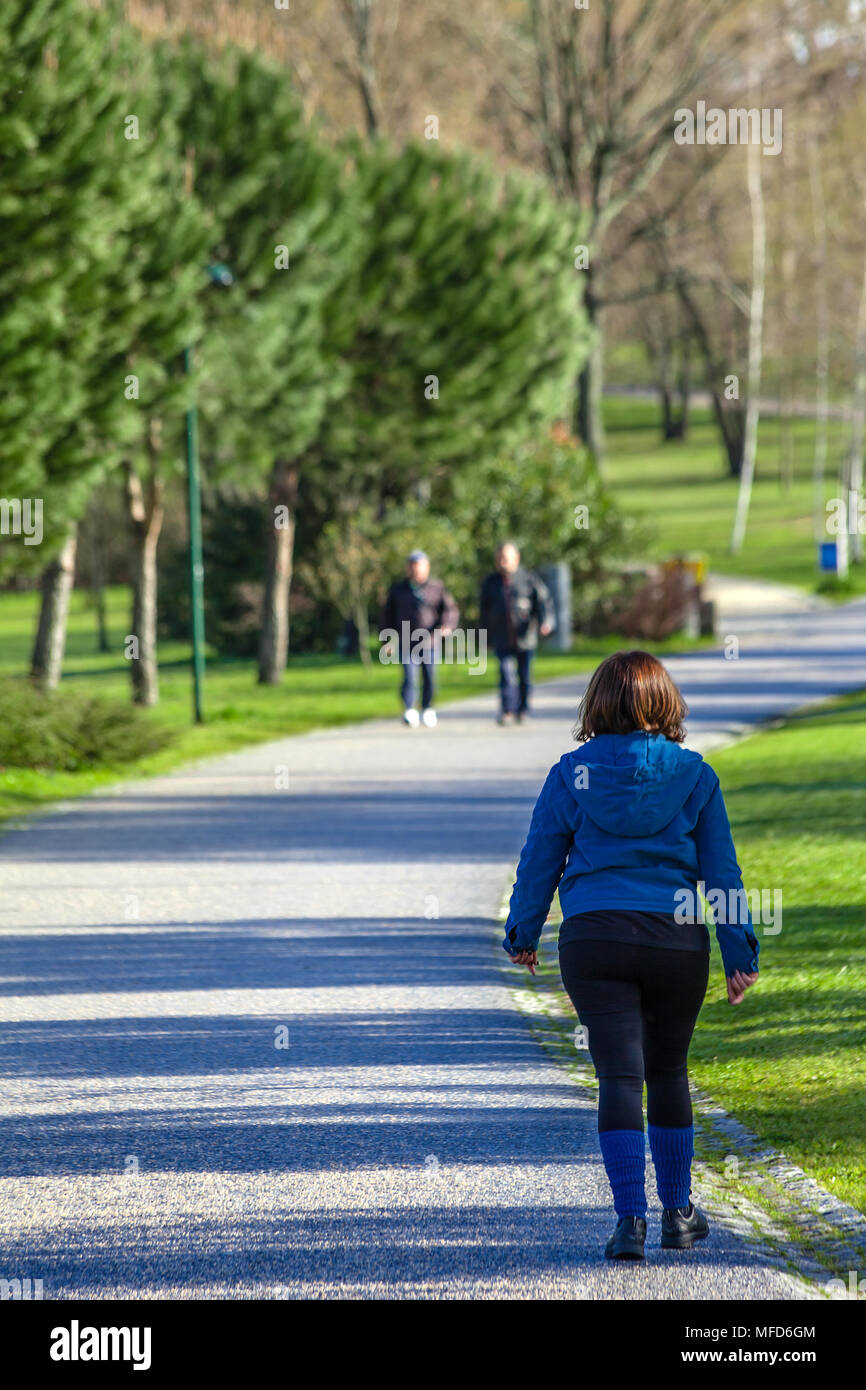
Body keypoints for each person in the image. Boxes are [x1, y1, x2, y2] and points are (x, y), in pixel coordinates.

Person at [502, 650, 760, 1261]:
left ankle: (628, 1223)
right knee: (667, 1070)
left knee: (619, 1075)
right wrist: (738, 952)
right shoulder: (695, 775)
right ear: (665, 703)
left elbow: (541, 859)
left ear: (597, 704)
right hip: (675, 939)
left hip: (594, 937)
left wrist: (523, 932)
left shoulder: (570, 774)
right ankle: (678, 1214)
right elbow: (721, 873)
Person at [380, 550, 459, 727]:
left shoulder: (437, 587)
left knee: (430, 676)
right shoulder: (398, 590)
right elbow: (387, 616)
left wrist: (446, 625)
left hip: (430, 642)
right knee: (409, 676)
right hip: (406, 641)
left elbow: (450, 610)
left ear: (427, 568)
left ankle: (427, 707)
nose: (415, 570)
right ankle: (409, 709)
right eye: (412, 566)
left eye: (419, 566)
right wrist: (387, 640)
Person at [479, 542, 553, 726]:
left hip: (525, 638)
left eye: (506, 557)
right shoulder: (490, 582)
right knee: (505, 674)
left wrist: (545, 622)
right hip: (501, 637)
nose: (503, 561)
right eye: (500, 558)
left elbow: (543, 602)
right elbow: (484, 611)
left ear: (516, 558)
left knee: (524, 676)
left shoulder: (528, 578)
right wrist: (484, 637)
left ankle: (523, 709)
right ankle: (507, 711)